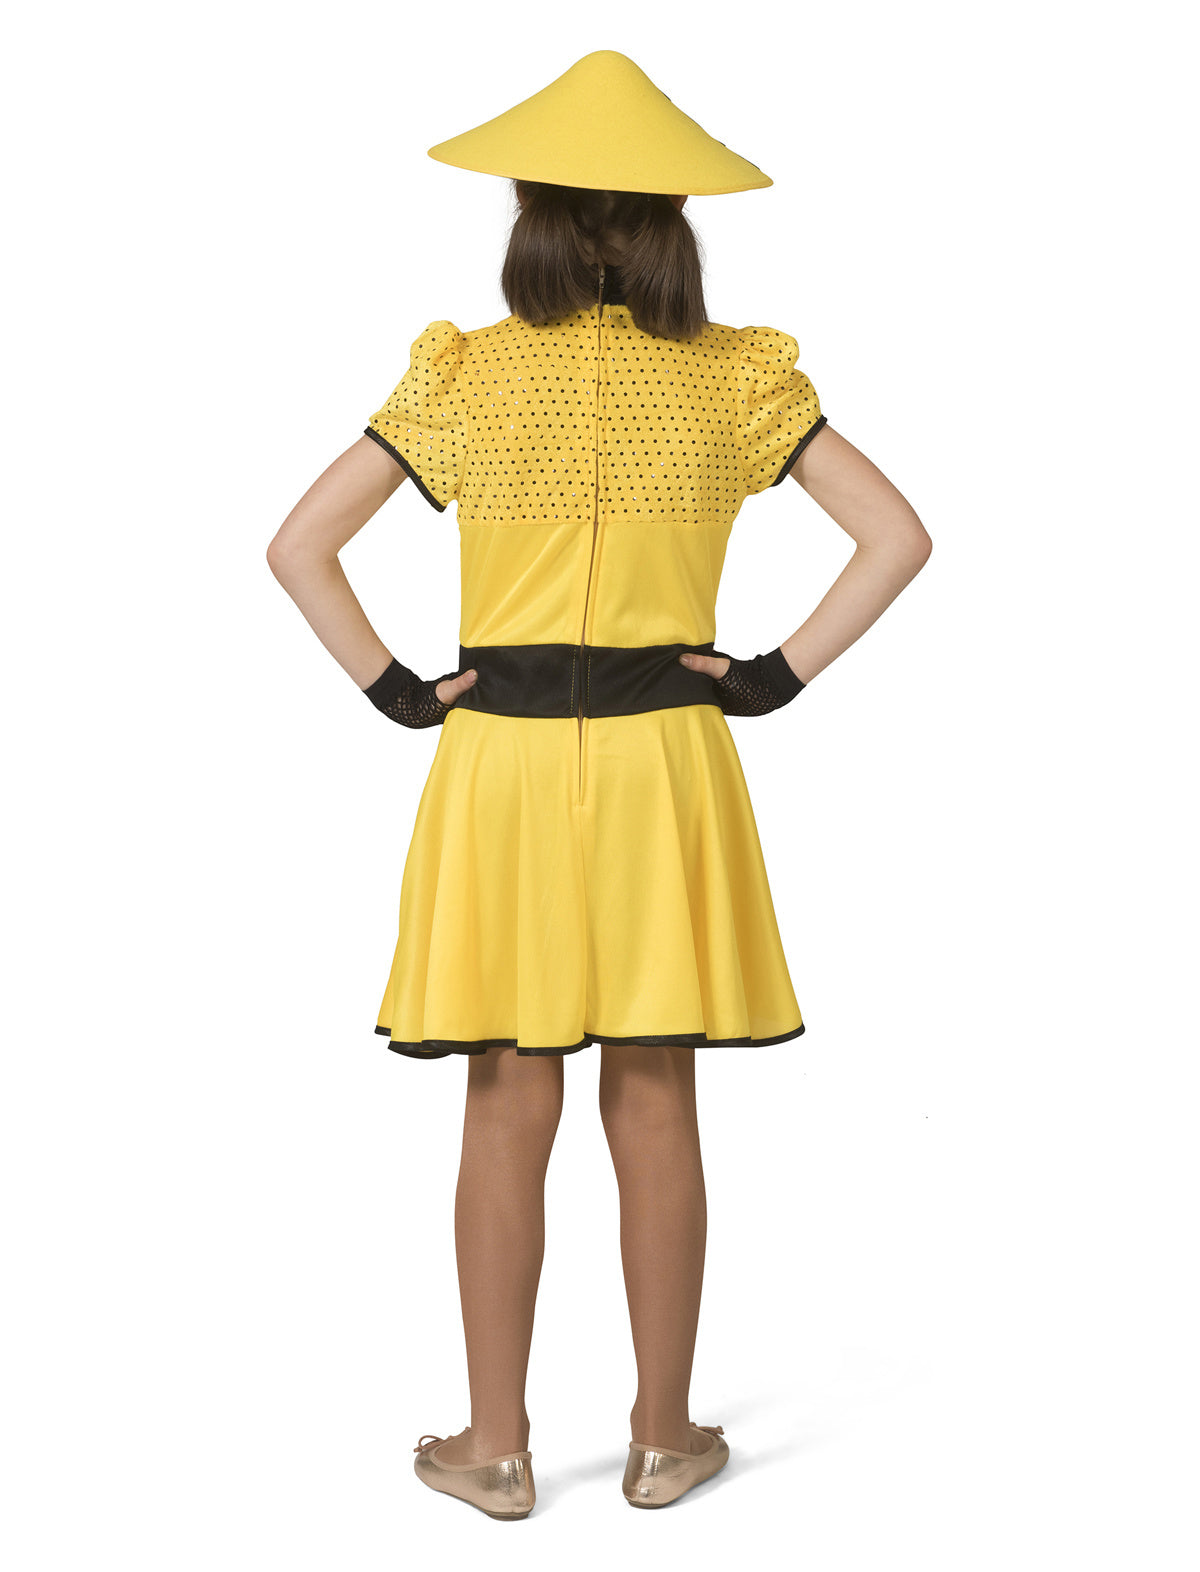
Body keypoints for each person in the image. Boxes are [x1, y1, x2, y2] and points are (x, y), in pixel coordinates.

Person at [266, 50, 931, 1519]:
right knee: (656, 1095)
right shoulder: (738, 378)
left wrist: (396, 690)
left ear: (533, 220)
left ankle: (496, 1450)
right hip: (663, 763)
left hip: (498, 764)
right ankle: (665, 1436)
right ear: (672, 223)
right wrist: (767, 677)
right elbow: (897, 537)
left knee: (507, 1098)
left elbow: (297, 546)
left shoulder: (464, 374)